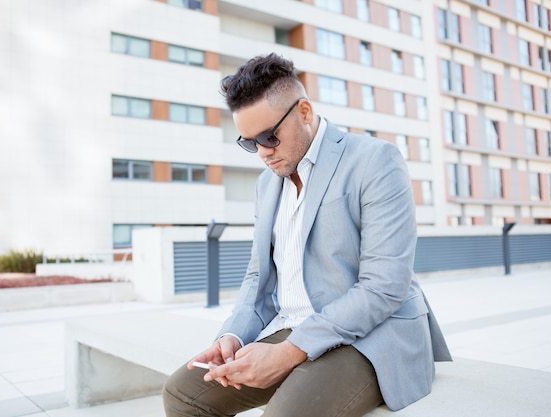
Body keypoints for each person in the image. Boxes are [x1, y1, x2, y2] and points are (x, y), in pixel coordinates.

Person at [162, 53, 451, 417]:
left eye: (270, 137)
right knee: (182, 394)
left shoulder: (375, 160)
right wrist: (231, 337)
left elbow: (384, 286)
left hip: (371, 337)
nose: (263, 153)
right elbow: (258, 278)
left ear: (304, 112)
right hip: (292, 327)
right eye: (250, 142)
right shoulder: (267, 184)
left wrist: (289, 352)